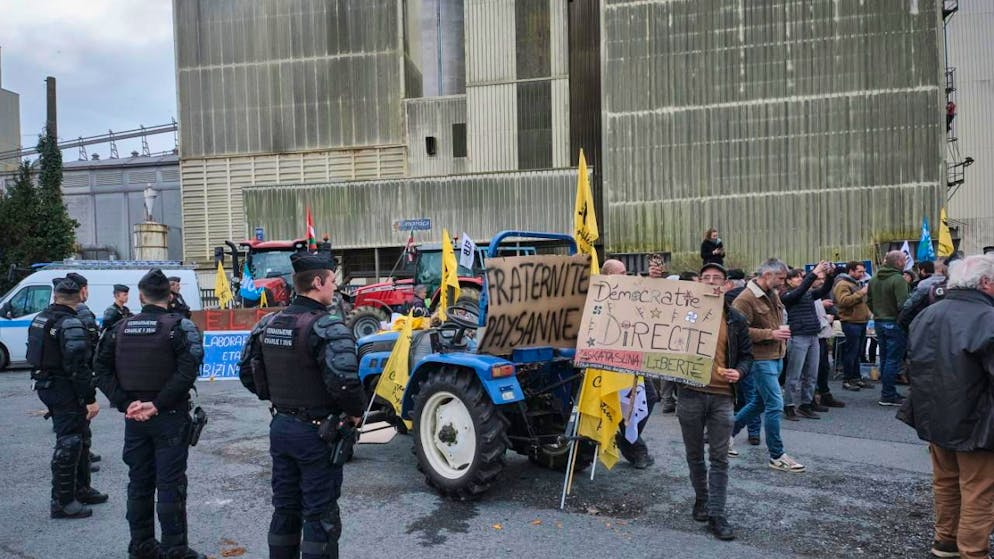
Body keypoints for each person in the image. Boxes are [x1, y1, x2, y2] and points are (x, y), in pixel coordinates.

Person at [239, 252, 366, 559]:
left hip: (281, 428)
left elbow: (247, 373)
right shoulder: (328, 327)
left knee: (285, 509)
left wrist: (279, 400)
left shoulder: (268, 323)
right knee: (319, 515)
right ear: (318, 282)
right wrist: (355, 413)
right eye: (332, 281)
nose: (334, 288)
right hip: (317, 435)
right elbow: (345, 383)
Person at [94, 269, 206, 559]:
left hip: (135, 418)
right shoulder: (180, 327)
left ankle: (141, 545)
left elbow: (100, 369)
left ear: (141, 295)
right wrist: (156, 404)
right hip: (167, 416)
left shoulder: (120, 328)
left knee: (139, 482)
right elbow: (188, 371)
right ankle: (174, 549)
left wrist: (125, 403)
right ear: (169, 296)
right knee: (170, 484)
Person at [898, 254, 994, 559]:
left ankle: (946, 542)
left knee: (946, 484)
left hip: (936, 416)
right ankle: (972, 551)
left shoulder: (927, 314)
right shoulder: (988, 319)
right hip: (978, 421)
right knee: (978, 490)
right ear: (986, 283)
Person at [678, 263, 752, 540]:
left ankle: (717, 514)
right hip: (689, 392)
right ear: (698, 282)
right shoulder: (684, 315)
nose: (710, 282)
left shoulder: (736, 319)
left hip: (722, 396)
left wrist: (740, 371)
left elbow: (747, 356)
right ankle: (702, 499)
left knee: (719, 458)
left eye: (716, 279)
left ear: (726, 286)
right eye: (705, 278)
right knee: (695, 454)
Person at [27, 278, 107, 519]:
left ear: (55, 296)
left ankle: (81, 489)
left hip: (47, 383)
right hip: (64, 387)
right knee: (70, 441)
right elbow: (78, 366)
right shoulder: (70, 323)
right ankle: (62, 501)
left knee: (80, 436)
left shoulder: (41, 317)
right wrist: (90, 397)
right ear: (81, 294)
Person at [731, 259, 804, 472]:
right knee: (775, 404)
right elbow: (738, 332)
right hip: (760, 359)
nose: (784, 282)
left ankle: (725, 435)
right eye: (780, 278)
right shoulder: (745, 299)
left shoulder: (772, 293)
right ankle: (777, 455)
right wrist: (771, 333)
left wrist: (777, 333)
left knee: (759, 403)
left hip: (776, 355)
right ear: (767, 275)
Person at [602, 259, 659, 469]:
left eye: (626, 273)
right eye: (621, 273)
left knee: (649, 397)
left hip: (633, 359)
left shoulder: (630, 294)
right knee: (621, 403)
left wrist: (654, 282)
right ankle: (635, 448)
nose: (626, 277)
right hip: (611, 362)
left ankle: (628, 439)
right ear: (608, 275)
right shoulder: (601, 297)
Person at [54, 274, 102, 472]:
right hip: (70, 382)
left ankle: (81, 479)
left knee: (74, 429)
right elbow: (79, 358)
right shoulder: (75, 317)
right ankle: (66, 495)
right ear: (82, 290)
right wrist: (89, 393)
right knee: (74, 431)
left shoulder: (49, 315)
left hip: (56, 381)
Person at [780, 263, 834, 420]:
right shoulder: (787, 295)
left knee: (811, 374)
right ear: (788, 281)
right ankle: (788, 405)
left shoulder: (808, 293)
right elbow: (800, 290)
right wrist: (813, 274)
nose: (799, 279)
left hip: (813, 335)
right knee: (794, 374)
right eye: (795, 277)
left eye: (800, 277)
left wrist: (830, 275)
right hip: (798, 336)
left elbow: (824, 290)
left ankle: (806, 404)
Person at [867, 251, 910, 406]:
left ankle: (887, 392)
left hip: (879, 321)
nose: (905, 262)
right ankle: (888, 394)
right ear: (898, 262)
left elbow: (869, 300)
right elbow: (904, 305)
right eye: (904, 259)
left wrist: (878, 312)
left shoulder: (874, 278)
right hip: (894, 322)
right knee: (893, 360)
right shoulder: (898, 279)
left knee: (885, 358)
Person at [833, 262, 872, 392]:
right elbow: (843, 301)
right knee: (851, 352)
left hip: (860, 321)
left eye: (863, 272)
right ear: (851, 271)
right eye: (859, 272)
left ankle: (856, 377)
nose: (862, 274)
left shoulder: (855, 283)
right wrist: (861, 293)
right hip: (851, 322)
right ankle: (847, 379)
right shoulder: (842, 284)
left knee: (858, 352)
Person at [648, 260, 678, 413]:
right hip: (664, 339)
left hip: (663, 338)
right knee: (666, 370)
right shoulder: (668, 298)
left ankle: (666, 398)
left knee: (664, 370)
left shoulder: (674, 299)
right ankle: (666, 399)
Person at [813, 277, 845, 409]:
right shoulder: (805, 294)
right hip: (813, 334)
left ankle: (824, 394)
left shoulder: (823, 292)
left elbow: (833, 308)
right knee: (814, 368)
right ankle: (812, 398)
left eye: (823, 279)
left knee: (824, 367)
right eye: (818, 279)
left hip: (824, 333)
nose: (821, 281)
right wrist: (822, 306)